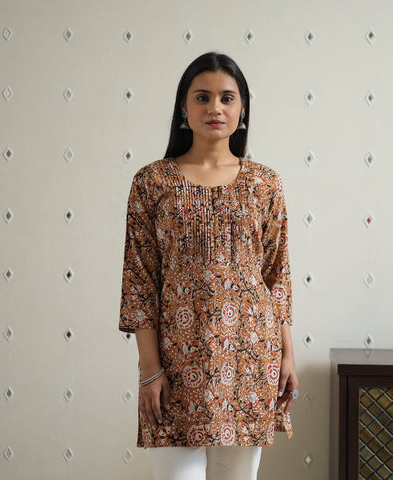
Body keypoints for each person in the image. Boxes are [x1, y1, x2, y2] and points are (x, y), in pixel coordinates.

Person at [119, 52, 298, 480]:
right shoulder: (152, 182)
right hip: (176, 364)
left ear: (242, 109)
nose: (215, 108)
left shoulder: (265, 183)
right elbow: (139, 281)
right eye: (202, 97)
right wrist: (150, 370)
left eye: (226, 98)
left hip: (251, 361)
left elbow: (276, 276)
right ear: (184, 107)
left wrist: (288, 354)